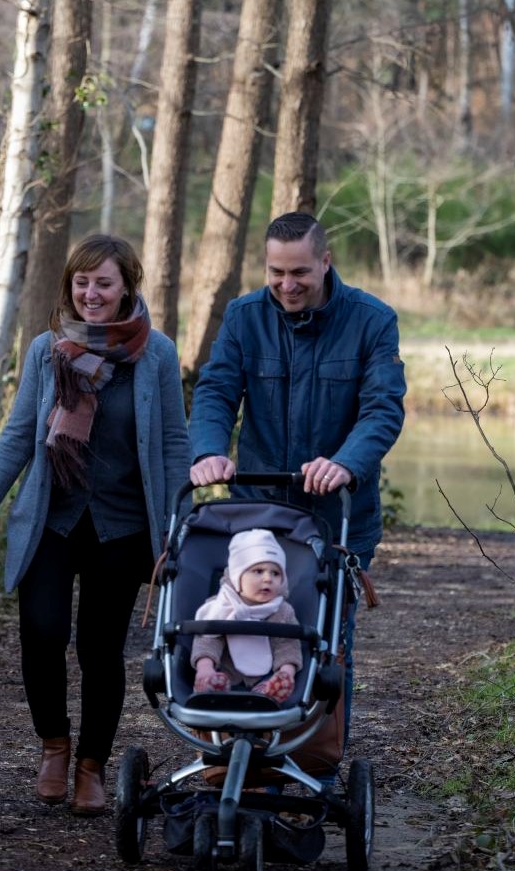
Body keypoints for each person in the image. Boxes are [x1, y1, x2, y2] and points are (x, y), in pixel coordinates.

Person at [0, 233, 192, 816]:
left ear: (126, 288)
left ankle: (91, 765)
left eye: (103, 283)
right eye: (82, 282)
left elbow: (173, 442)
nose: (91, 293)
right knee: (40, 633)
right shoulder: (47, 349)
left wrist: (183, 523)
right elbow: (18, 436)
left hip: (122, 525)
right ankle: (54, 747)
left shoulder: (156, 353)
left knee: (100, 647)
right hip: (53, 519)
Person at [187, 212, 407, 749]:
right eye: (276, 272)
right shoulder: (243, 317)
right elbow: (216, 391)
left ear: (325, 263)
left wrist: (345, 462)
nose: (287, 285)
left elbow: (382, 409)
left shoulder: (371, 320)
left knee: (327, 643)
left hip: (337, 520)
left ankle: (315, 763)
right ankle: (239, 751)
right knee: (244, 629)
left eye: (300, 273)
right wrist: (210, 450)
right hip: (259, 520)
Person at [190, 529, 301, 703]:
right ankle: (207, 679)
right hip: (223, 672)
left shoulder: (281, 610)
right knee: (209, 637)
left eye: (275, 573)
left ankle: (276, 686)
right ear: (237, 577)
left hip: (266, 675)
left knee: (287, 646)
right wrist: (206, 667)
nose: (268, 579)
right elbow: (208, 640)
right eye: (258, 571)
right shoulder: (220, 605)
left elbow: (287, 646)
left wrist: (286, 671)